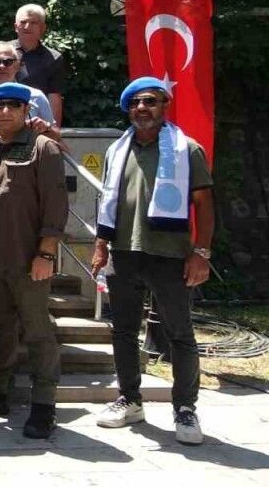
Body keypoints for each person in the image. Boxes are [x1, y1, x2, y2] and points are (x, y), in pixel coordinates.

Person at [92, 77, 214, 445]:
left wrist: (201, 253)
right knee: (123, 331)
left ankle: (185, 408)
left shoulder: (186, 149)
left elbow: (205, 204)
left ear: (164, 106)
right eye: (135, 103)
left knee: (180, 333)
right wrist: (100, 245)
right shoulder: (117, 149)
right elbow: (108, 201)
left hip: (170, 255)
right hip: (124, 253)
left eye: (150, 101)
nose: (142, 108)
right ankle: (129, 399)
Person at [0, 82, 66, 439]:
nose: (5, 112)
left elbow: (56, 206)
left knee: (37, 331)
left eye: (13, 106)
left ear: (26, 110)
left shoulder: (43, 148)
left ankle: (44, 405)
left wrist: (46, 252)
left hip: (29, 258)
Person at [13, 4, 67, 125]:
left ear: (43, 28)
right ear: (16, 27)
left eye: (33, 23)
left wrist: (53, 130)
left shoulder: (53, 58)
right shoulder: (1, 51)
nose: (27, 27)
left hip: (35, 122)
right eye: (23, 22)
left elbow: (54, 96)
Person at [0, 41, 55, 124]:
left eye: (8, 62)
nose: (2, 66)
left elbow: (52, 130)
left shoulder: (36, 96)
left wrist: (45, 127)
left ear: (17, 66)